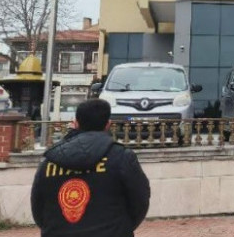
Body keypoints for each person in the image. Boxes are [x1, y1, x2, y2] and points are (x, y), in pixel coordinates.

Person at [30, 99, 150, 237]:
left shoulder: (50, 161)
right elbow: (140, 200)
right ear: (108, 124)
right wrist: (122, 228)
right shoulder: (121, 157)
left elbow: (38, 208)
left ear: (76, 123)